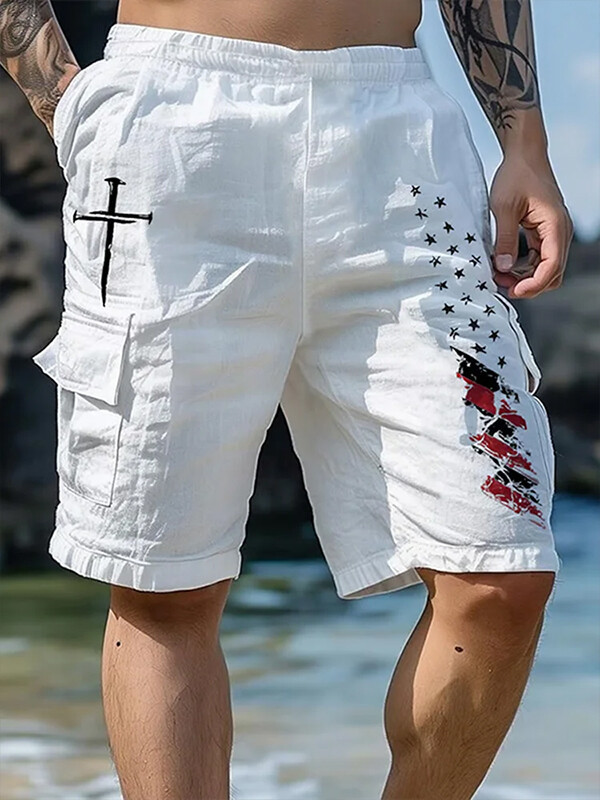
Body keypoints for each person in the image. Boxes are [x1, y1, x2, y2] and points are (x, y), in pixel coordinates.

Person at [1, 1, 573, 797]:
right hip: (172, 126)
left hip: (397, 138)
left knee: (501, 569)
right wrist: (62, 95)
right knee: (164, 578)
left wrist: (525, 142)